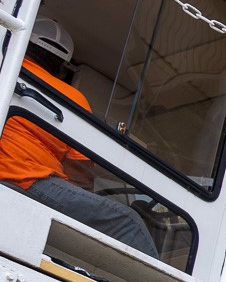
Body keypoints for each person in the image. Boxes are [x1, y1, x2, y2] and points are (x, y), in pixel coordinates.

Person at [0, 19, 157, 257]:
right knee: (129, 222)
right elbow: (80, 176)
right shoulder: (72, 98)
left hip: (13, 175)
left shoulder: (6, 66)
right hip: (27, 179)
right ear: (62, 65)